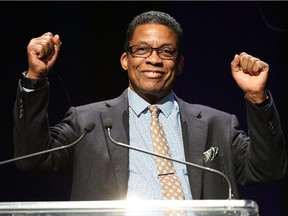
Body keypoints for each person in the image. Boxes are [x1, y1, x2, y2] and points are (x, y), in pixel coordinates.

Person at [13, 10, 286, 201]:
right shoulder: (88, 121)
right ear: (125, 60)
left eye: (166, 51)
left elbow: (267, 169)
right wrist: (35, 78)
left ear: (179, 64)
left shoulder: (217, 125)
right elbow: (33, 159)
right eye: (142, 49)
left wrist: (256, 97)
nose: (154, 59)